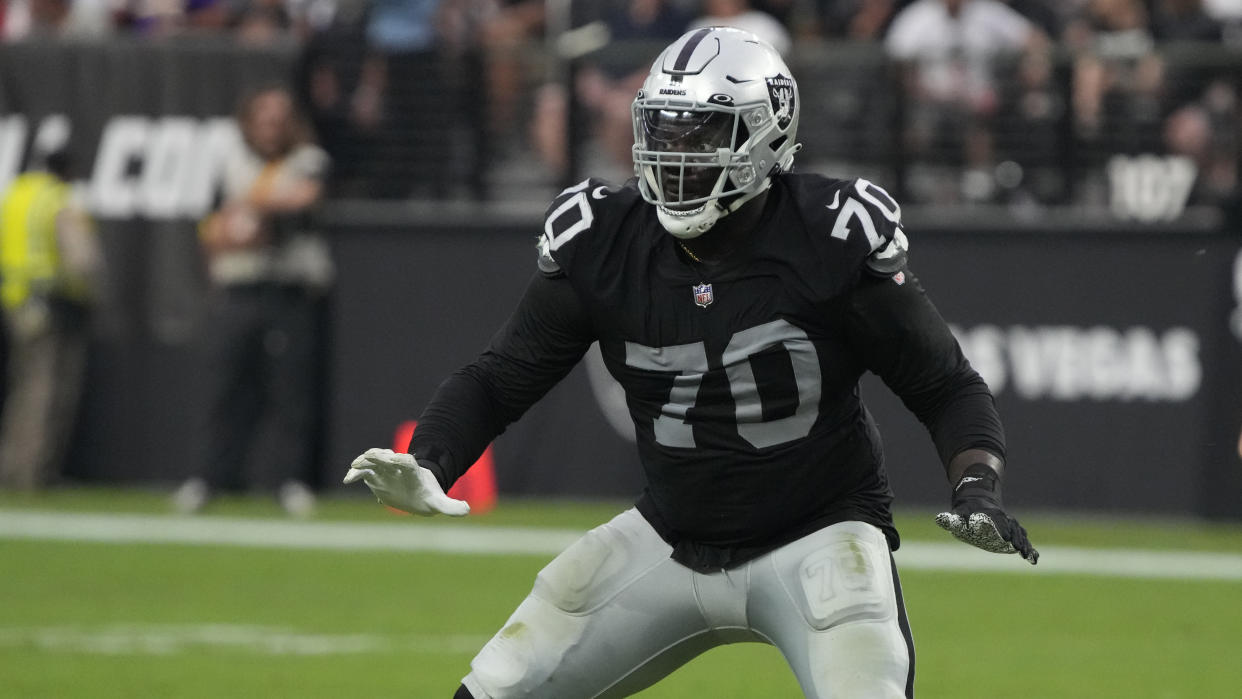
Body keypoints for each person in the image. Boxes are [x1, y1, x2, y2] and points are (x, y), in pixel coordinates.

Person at [345, 27, 1039, 698]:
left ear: (767, 133)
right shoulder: (606, 241)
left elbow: (945, 384)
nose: (675, 152)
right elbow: (499, 376)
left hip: (820, 534)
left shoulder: (829, 237)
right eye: (664, 130)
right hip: (670, 537)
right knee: (502, 683)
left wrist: (976, 485)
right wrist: (433, 458)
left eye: (702, 133)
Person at [173, 86, 332, 517]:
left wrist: (245, 206)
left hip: (288, 290)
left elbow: (302, 197)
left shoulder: (307, 160)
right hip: (238, 289)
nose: (271, 128)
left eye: (280, 119)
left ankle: (290, 481)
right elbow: (210, 231)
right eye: (263, 119)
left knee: (290, 390)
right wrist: (231, 229)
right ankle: (208, 479)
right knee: (222, 387)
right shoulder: (231, 162)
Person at [0, 146, 101, 489]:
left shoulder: (15, 196)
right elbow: (82, 261)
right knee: (47, 390)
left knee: (23, 388)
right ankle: (34, 473)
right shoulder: (58, 201)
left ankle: (12, 468)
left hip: (16, 301)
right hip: (52, 304)